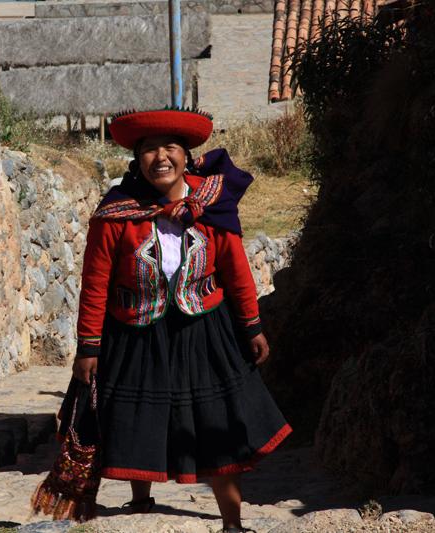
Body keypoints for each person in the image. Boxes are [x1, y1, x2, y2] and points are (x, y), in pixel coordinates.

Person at [64, 108, 291, 533]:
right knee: (137, 416)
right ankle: (140, 500)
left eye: (170, 148)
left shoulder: (212, 208)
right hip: (135, 332)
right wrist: (88, 346)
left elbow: (236, 270)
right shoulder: (116, 214)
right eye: (149, 150)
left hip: (204, 331)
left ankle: (232, 523)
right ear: (137, 160)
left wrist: (252, 325)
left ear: (186, 156)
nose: (160, 157)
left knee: (217, 424)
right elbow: (95, 282)